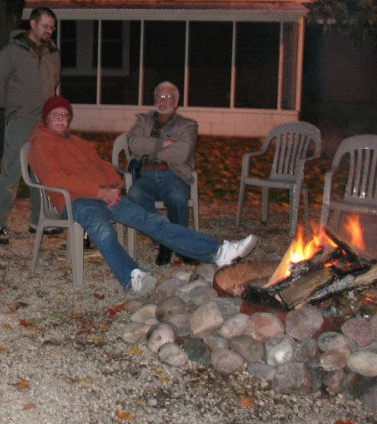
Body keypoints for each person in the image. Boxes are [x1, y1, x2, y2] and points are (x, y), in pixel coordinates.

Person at [28, 96, 258, 295]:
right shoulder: (41, 144)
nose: (60, 118)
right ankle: (132, 277)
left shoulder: (80, 143)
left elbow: (103, 165)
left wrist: (114, 185)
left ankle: (218, 252)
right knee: (102, 230)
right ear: (46, 118)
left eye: (65, 114)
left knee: (153, 220)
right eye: (55, 114)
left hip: (105, 195)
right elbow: (55, 178)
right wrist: (98, 191)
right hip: (75, 201)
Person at [0, 6, 61, 245]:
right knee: (11, 173)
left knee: (41, 174)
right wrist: (11, 106)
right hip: (20, 121)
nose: (49, 31)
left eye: (52, 27)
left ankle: (38, 220)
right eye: (45, 26)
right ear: (33, 24)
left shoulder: (53, 52)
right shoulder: (13, 51)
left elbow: (54, 83)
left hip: (44, 124)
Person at [127, 81, 198, 266]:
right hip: (147, 175)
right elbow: (133, 142)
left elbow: (182, 152)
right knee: (134, 194)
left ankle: (176, 244)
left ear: (176, 101)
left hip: (173, 174)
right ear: (154, 100)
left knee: (177, 197)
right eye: (159, 96)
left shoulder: (188, 125)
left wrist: (148, 148)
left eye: (168, 97)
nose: (163, 100)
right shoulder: (143, 120)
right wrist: (161, 144)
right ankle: (166, 240)